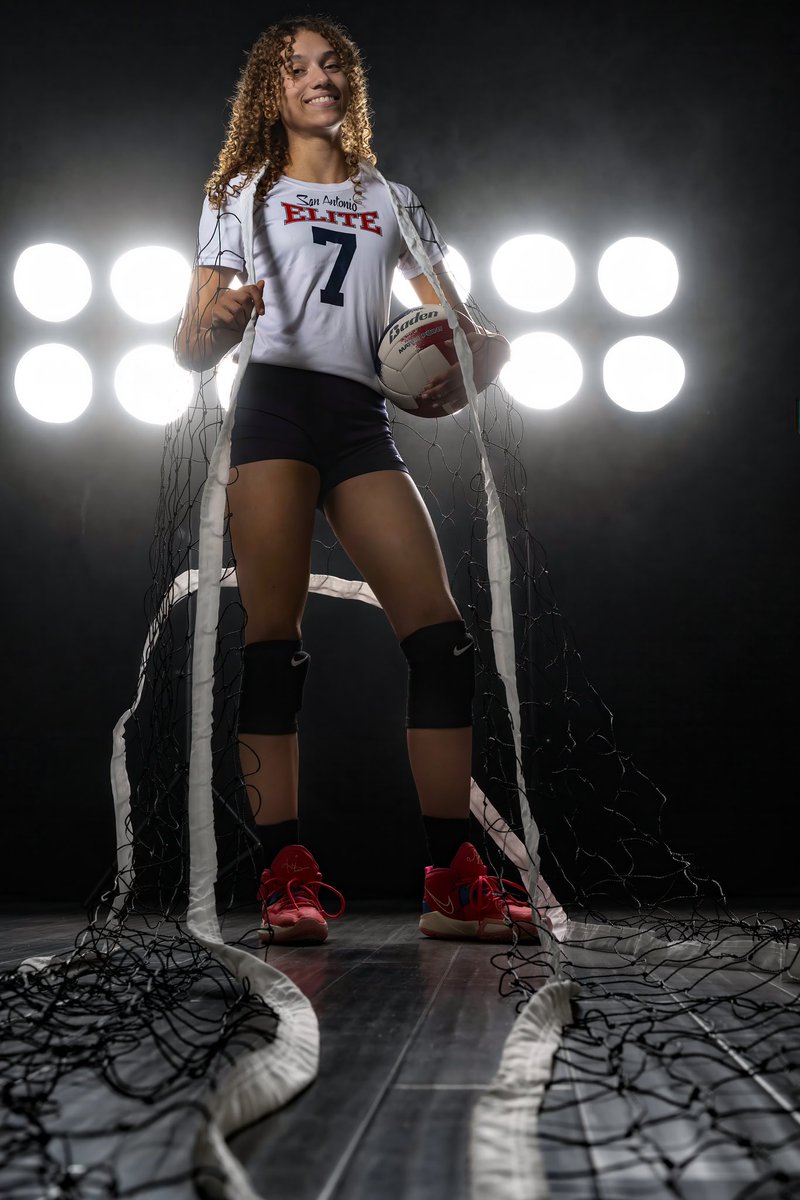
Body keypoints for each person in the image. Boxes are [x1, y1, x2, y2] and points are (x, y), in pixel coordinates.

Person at [175, 15, 536, 945]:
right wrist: (223, 317)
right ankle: (285, 876)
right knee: (271, 645)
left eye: (332, 63)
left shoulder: (393, 199)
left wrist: (480, 354)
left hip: (358, 418)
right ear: (272, 90)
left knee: (442, 642)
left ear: (352, 84)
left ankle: (452, 880)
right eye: (296, 68)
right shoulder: (239, 192)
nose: (317, 77)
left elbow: (465, 331)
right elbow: (188, 345)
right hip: (275, 409)